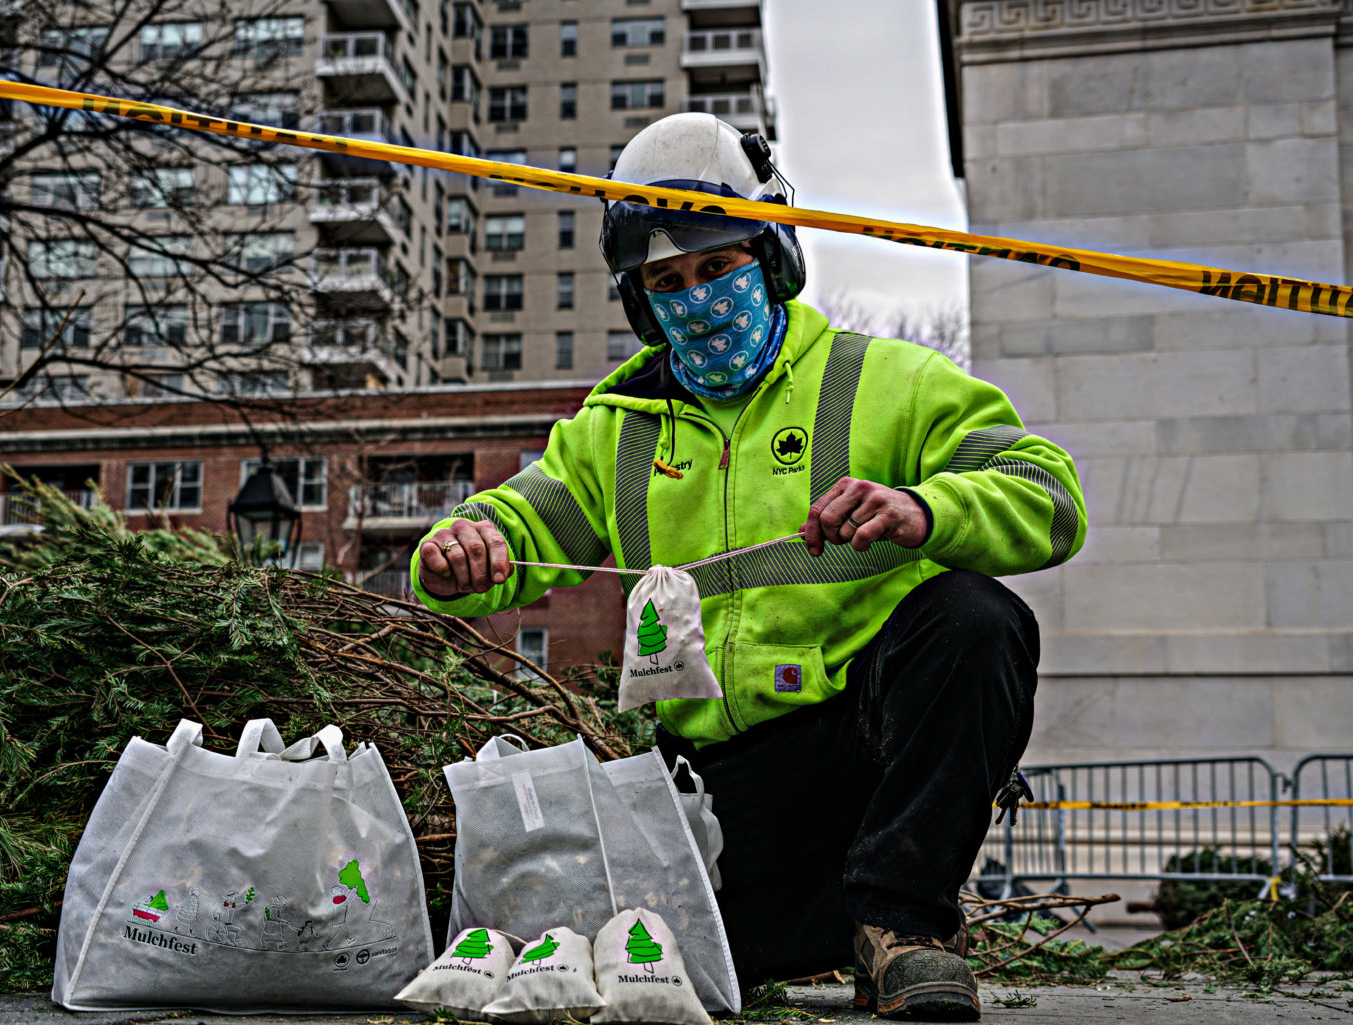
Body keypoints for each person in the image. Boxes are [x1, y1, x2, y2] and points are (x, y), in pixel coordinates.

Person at [410, 113, 1086, 1021]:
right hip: (714, 805)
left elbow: (1049, 495)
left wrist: (930, 510)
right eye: (668, 279)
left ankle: (901, 928)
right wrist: (461, 546)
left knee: (975, 618)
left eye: (719, 264)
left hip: (862, 767)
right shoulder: (615, 431)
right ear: (643, 300)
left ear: (770, 256)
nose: (698, 295)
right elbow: (523, 519)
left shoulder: (888, 382)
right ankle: (812, 928)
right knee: (677, 965)